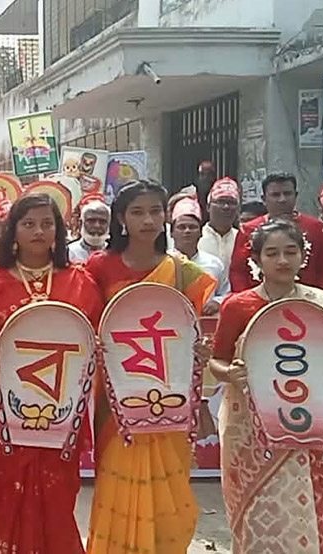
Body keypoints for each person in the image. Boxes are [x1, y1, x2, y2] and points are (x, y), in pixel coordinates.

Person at [210, 219, 323, 553]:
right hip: (250, 432)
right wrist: (231, 373)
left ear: (303, 255)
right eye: (272, 253)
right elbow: (217, 361)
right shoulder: (237, 306)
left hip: (310, 427)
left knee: (307, 511)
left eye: (290, 251)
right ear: (256, 259)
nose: (282, 260)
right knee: (256, 512)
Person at [84, 181, 216, 554]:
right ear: (121, 219)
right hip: (117, 401)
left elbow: (188, 332)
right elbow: (89, 324)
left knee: (170, 497)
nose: (148, 220)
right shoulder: (98, 267)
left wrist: (200, 351)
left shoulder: (183, 272)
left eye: (155, 211)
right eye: (137, 212)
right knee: (118, 484)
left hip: (169, 396)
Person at [0, 194, 103, 554]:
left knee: (57, 495)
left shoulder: (81, 282)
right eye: (28, 224)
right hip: (2, 413)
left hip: (60, 410)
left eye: (47, 223)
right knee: (0, 493)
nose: (38, 231)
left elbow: (96, 342)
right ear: (13, 231)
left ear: (59, 231)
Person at [230, 173, 323, 292]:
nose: (282, 199)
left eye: (287, 194)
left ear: (296, 195)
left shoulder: (317, 228)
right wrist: (247, 299)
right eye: (275, 195)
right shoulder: (247, 230)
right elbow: (238, 271)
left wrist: (320, 299)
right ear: (264, 199)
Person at [170, 196, 229, 314]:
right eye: (181, 227)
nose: (187, 231)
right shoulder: (164, 262)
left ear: (201, 232)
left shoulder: (214, 263)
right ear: (172, 233)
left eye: (192, 227)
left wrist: (217, 302)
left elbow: (225, 292)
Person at [198, 177, 241, 267]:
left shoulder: (242, 239)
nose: (226, 207)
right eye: (220, 201)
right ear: (208, 207)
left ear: (237, 209)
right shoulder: (196, 237)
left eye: (231, 202)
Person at [68, 195, 110, 263]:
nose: (97, 225)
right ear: (81, 223)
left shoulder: (115, 253)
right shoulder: (69, 252)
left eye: (102, 221)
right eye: (91, 221)